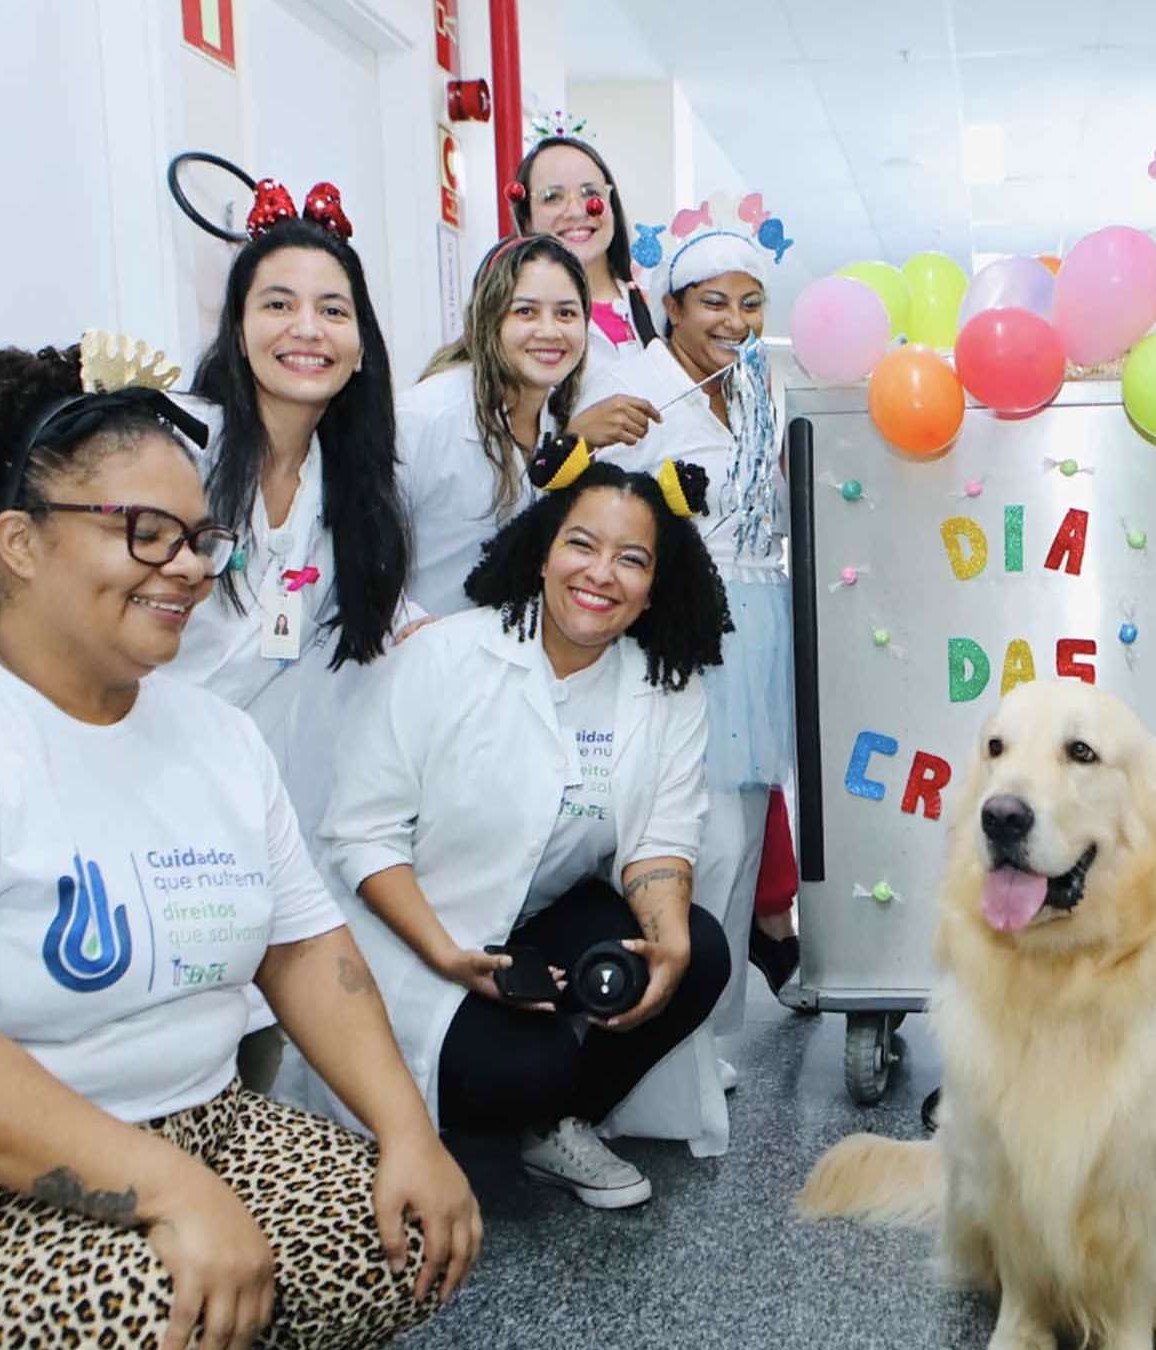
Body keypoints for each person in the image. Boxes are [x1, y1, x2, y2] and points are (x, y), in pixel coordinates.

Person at [0, 339, 480, 1350]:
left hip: (197, 1120)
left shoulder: (216, 737)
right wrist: (171, 1191)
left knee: (397, 1233)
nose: (186, 567)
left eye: (199, 537)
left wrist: (409, 1133)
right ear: (19, 541)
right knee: (149, 1311)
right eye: (144, 532)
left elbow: (305, 947)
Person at [314, 450, 735, 1206]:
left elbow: (662, 838)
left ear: (653, 589)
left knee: (697, 952)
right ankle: (487, 1114)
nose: (601, 574)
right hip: (419, 929)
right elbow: (362, 835)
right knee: (524, 1068)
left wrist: (666, 943)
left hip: (539, 922)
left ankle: (550, 1127)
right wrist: (446, 955)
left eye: (631, 559)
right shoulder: (444, 657)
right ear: (543, 551)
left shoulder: (667, 691)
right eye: (582, 544)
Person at [593, 193, 797, 1095]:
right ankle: (658, 1049)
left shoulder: (755, 389)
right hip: (686, 639)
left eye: (751, 303)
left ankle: (706, 1044)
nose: (735, 321)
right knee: (690, 841)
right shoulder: (638, 398)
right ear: (671, 306)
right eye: (714, 300)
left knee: (742, 841)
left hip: (762, 632)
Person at [169, 182, 414, 858]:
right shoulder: (175, 449)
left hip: (245, 807)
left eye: (332, 310)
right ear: (238, 332)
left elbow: (392, 621)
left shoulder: (354, 494)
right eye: (278, 304)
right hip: (123, 775)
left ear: (361, 346)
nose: (306, 329)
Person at [397, 233, 660, 619]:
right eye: (526, 312)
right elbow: (356, 557)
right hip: (414, 658)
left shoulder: (554, 421)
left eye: (567, 314)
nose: (550, 331)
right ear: (489, 316)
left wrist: (571, 445)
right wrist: (409, 626)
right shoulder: (425, 417)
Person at [509, 125, 659, 377]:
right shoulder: (508, 316)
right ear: (526, 219)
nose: (577, 211)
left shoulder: (656, 298)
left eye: (590, 193)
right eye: (552, 197)